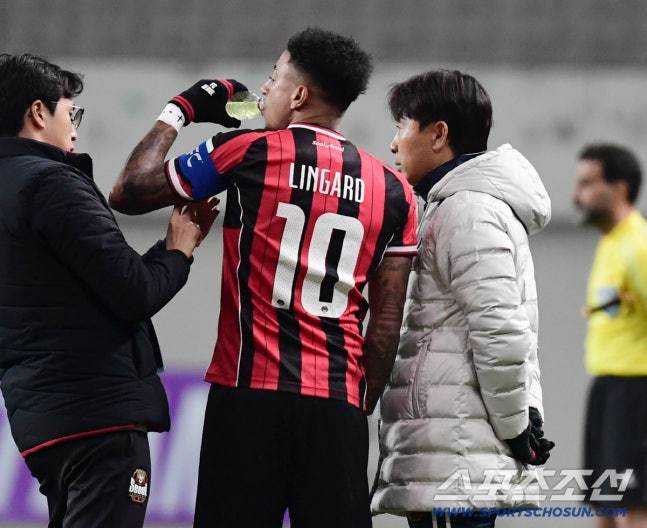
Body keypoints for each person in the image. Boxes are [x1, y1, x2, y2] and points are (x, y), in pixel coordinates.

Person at [109, 27, 418, 528]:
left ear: (298, 96)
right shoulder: (395, 189)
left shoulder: (247, 149)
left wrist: (181, 110)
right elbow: (386, 324)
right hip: (336, 405)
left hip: (247, 398)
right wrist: (359, 404)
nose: (264, 90)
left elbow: (128, 191)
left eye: (274, 78)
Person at [0, 53, 216, 528]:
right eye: (70, 112)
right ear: (38, 113)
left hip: (41, 421)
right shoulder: (52, 183)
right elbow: (134, 292)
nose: (74, 130)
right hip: (96, 418)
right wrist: (178, 249)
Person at [370, 70, 555, 528]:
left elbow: (501, 332)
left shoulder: (468, 210)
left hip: (456, 461)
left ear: (438, 134)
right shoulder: (456, 205)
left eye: (401, 126)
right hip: (452, 452)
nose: (393, 144)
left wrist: (516, 428)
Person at [574, 144, 647, 528]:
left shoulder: (639, 246)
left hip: (636, 394)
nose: (576, 195)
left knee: (632, 509)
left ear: (619, 189)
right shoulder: (611, 242)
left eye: (587, 183)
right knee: (604, 506)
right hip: (608, 390)